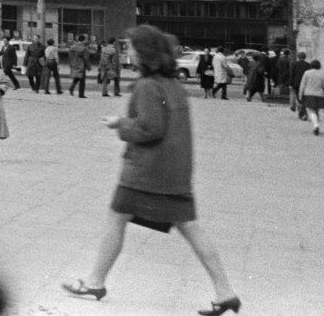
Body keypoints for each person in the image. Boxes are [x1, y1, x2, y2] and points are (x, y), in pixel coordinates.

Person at [62, 25, 240, 316]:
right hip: (174, 174)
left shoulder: (147, 86)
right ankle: (226, 291)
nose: (127, 52)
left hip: (145, 173)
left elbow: (150, 128)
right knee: (191, 228)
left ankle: (95, 282)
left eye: (131, 47)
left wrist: (119, 124)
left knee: (116, 218)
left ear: (144, 52)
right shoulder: (173, 85)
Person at [298, 59, 324, 136]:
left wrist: (300, 95)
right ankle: (316, 123)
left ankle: (316, 125)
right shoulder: (322, 73)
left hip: (309, 94)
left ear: (311, 65)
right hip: (320, 94)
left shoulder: (307, 73)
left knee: (311, 111)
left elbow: (302, 84)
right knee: (318, 110)